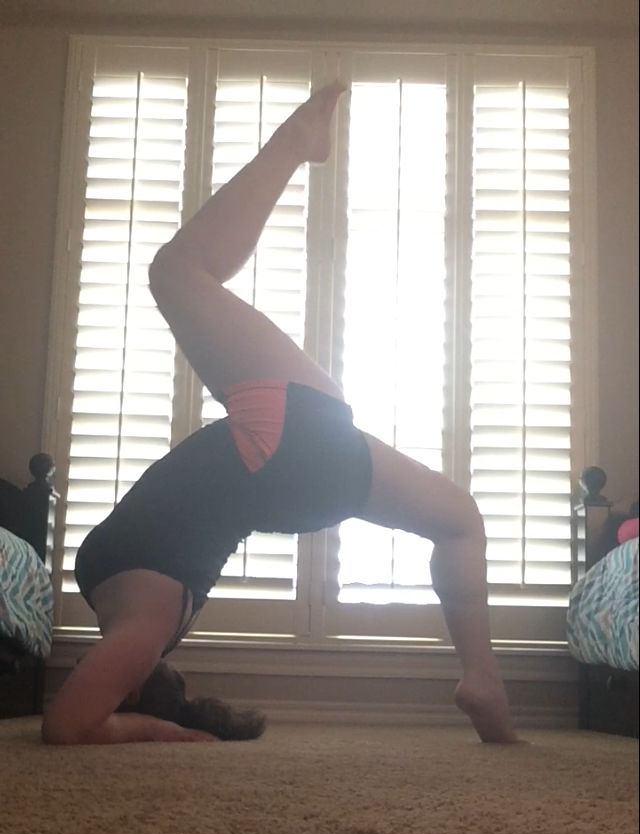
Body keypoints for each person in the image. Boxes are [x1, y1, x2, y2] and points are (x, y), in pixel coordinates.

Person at [42, 82, 518, 746]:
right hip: (278, 448)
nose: (89, 674)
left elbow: (77, 713)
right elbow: (68, 727)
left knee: (460, 521)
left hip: (281, 458)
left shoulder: (122, 604)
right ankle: (294, 144)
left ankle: (483, 679)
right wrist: (175, 735)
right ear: (137, 686)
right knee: (177, 272)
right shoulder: (145, 626)